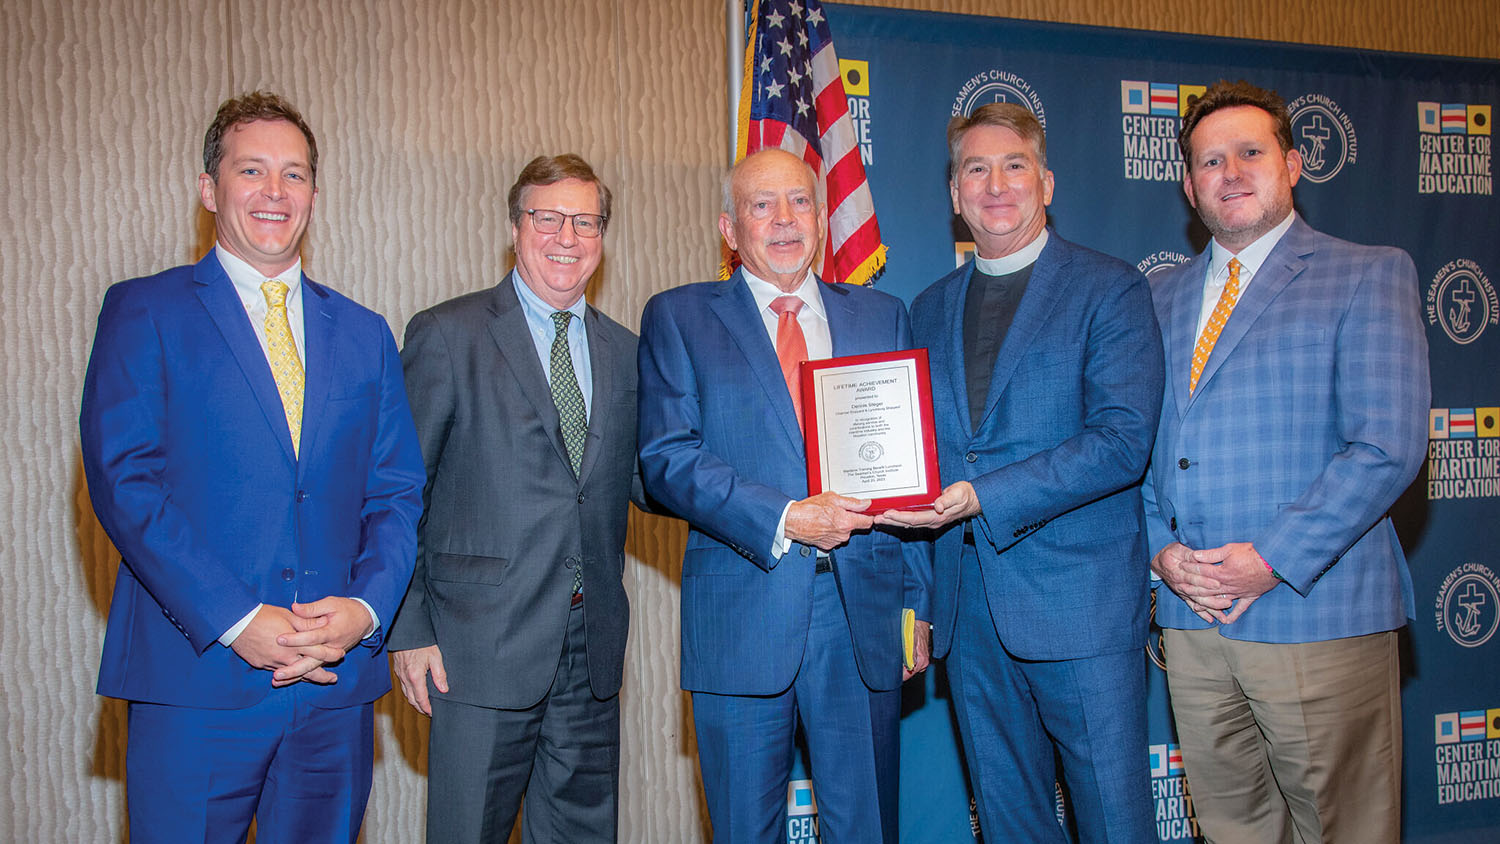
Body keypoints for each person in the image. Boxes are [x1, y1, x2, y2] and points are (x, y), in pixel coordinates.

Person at [78, 91, 425, 843]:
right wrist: (237, 620)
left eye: (294, 174)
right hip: (197, 680)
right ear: (210, 189)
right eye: (253, 171)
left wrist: (365, 611)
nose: (275, 193)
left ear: (314, 194)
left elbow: (397, 492)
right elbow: (125, 481)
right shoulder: (145, 311)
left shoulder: (365, 333)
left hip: (333, 687)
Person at [1143, 79, 1429, 844]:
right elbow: (1133, 446)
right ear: (1187, 184)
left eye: (1250, 152)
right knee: (1233, 830)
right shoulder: (1155, 297)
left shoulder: (1367, 272)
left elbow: (1388, 446)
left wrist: (1270, 558)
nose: (1230, 172)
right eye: (1209, 160)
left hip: (1317, 614)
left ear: (1294, 164)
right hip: (1193, 623)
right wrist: (1160, 555)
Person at [880, 102, 1164, 843]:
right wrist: (916, 603)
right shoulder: (928, 306)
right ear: (954, 194)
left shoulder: (1111, 289)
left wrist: (984, 495)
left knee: (1115, 821)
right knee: (1009, 824)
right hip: (968, 613)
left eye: (1014, 166)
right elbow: (919, 457)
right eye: (976, 168)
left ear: (1046, 183)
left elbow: (1123, 441)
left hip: (1083, 606)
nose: (995, 184)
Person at [637, 148, 929, 844]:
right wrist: (786, 517)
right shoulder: (679, 317)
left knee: (867, 829)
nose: (783, 220)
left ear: (825, 219)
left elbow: (911, 478)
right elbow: (665, 459)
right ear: (729, 230)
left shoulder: (883, 316)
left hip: (861, 614)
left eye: (799, 202)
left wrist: (916, 603)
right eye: (761, 205)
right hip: (743, 610)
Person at [388, 154, 645, 843]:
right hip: (476, 652)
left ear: (602, 235)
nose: (567, 236)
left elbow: (650, 475)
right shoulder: (448, 335)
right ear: (514, 226)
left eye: (585, 221)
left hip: (588, 656)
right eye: (547, 217)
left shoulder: (626, 353)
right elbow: (397, 493)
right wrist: (409, 632)